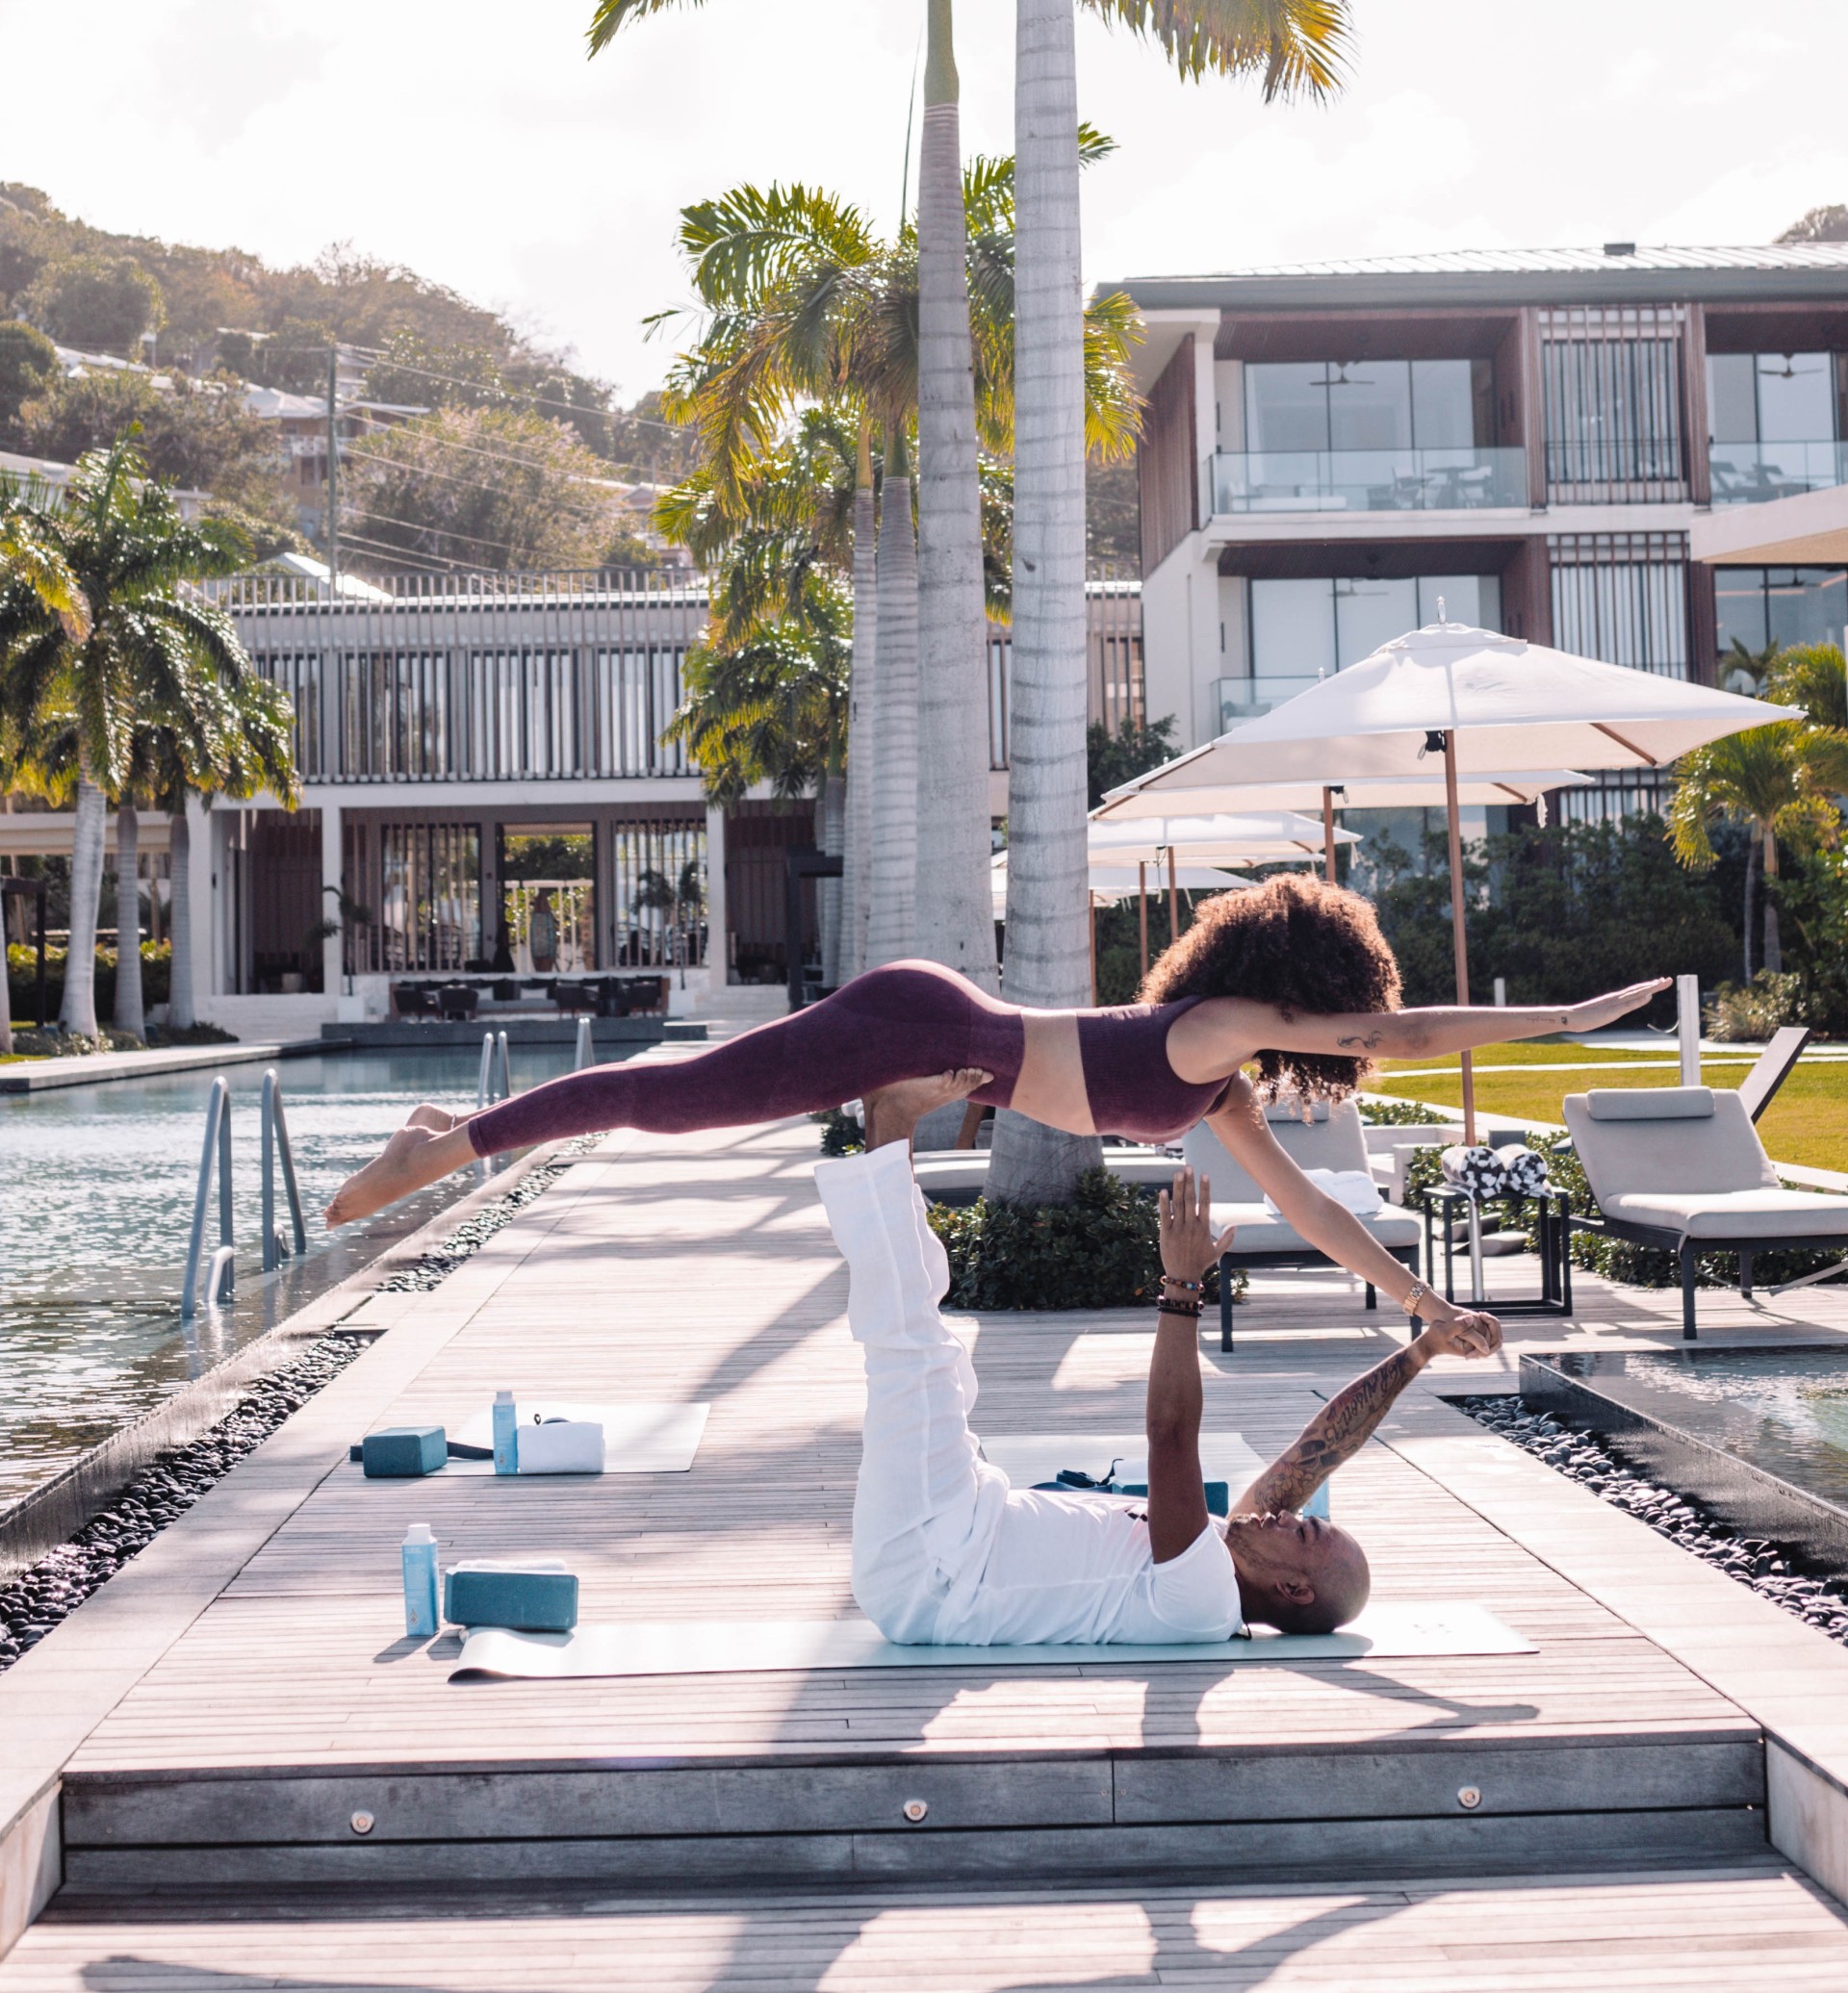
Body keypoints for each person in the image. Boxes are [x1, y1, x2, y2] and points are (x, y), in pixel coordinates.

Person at [323, 871, 1666, 1245]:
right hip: (924, 1022)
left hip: (939, 1031)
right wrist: (1556, 1017)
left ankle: (452, 1125)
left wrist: (1423, 1305)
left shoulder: (1223, 1077)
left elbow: (1310, 1208)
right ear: (1297, 987)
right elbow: (1395, 1033)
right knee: (675, 1104)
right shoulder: (1207, 1031)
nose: (1339, 1035)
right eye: (1330, 1007)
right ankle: (446, 1143)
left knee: (681, 1105)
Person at [825, 1069, 1502, 1645]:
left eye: (1305, 1531)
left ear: (1294, 1587)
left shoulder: (1203, 1599)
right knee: (929, 1346)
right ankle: (889, 1130)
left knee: (912, 1349)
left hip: (934, 1565)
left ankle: (888, 1124)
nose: (1289, 1512)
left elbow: (1171, 1434)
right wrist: (1422, 1349)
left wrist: (1181, 1284)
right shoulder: (1228, 1548)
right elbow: (1318, 1448)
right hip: (961, 1525)